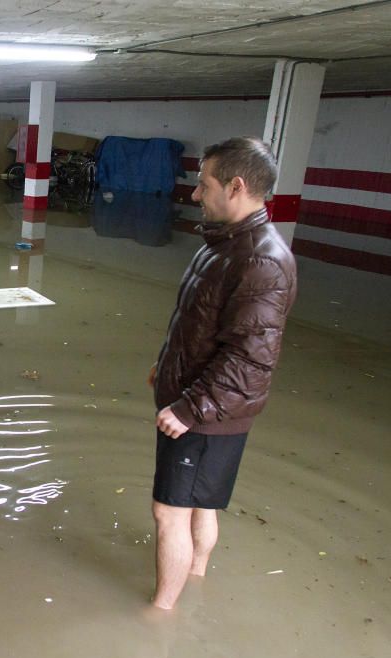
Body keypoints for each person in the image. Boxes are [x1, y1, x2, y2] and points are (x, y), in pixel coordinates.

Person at [147, 136, 297, 610]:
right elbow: (203, 324)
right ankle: (196, 576)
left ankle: (161, 613)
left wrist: (189, 408)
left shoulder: (260, 260)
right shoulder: (228, 244)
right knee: (203, 501)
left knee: (169, 512)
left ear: (235, 186)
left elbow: (251, 359)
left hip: (208, 412)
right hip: (210, 404)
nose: (195, 194)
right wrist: (167, 364)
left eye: (203, 184)